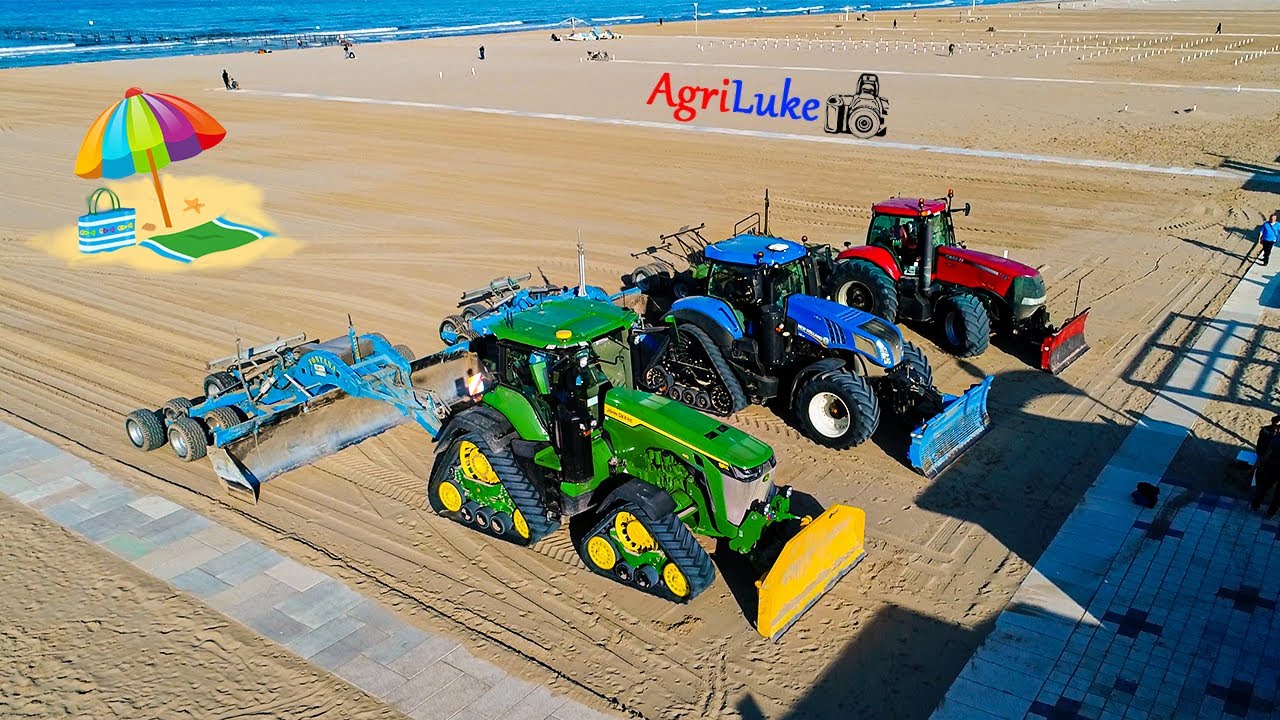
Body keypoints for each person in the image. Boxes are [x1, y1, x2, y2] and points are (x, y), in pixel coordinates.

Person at [1251, 416, 1280, 516]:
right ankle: (1271, 512)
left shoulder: (1275, 440)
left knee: (1263, 488)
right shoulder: (1275, 439)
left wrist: (1256, 466)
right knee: (1278, 495)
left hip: (1271, 467)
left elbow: (1265, 454)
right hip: (1272, 468)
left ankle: (1255, 505)